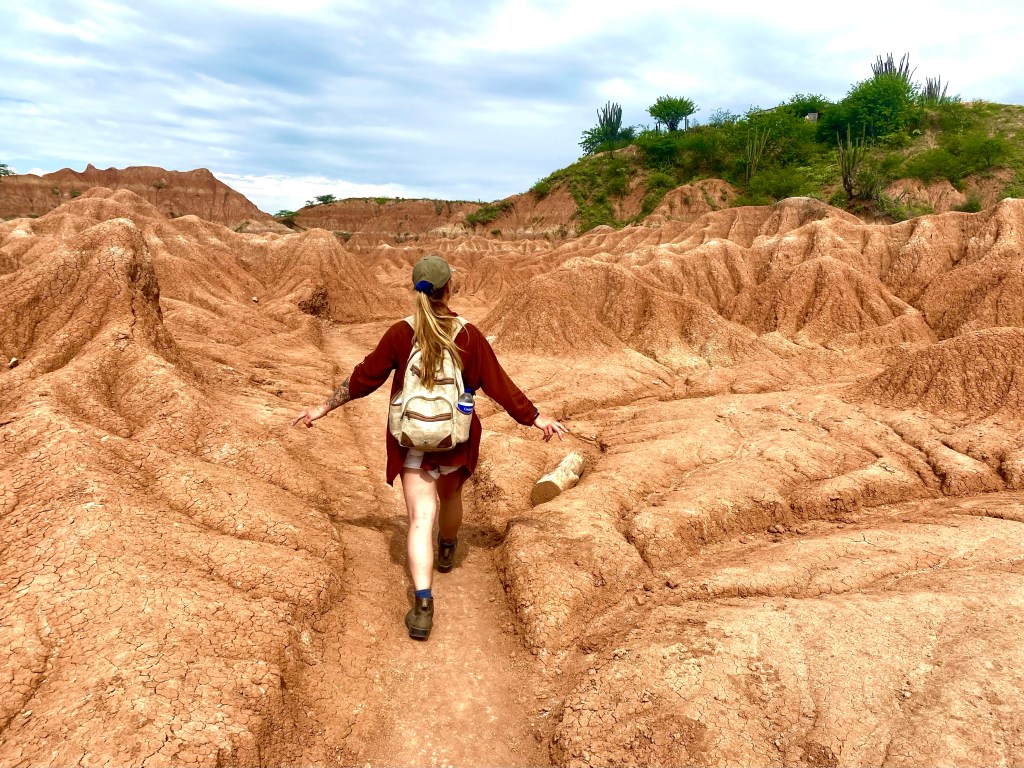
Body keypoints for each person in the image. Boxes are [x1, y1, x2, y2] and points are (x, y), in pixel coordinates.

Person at [291, 255, 568, 640]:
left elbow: (363, 378)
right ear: (449, 288)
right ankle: (448, 546)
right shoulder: (468, 335)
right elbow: (499, 384)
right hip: (454, 440)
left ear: (415, 289)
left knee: (420, 518)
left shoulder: (400, 334)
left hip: (412, 443)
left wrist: (321, 409)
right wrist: (535, 418)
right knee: (450, 498)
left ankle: (422, 606)